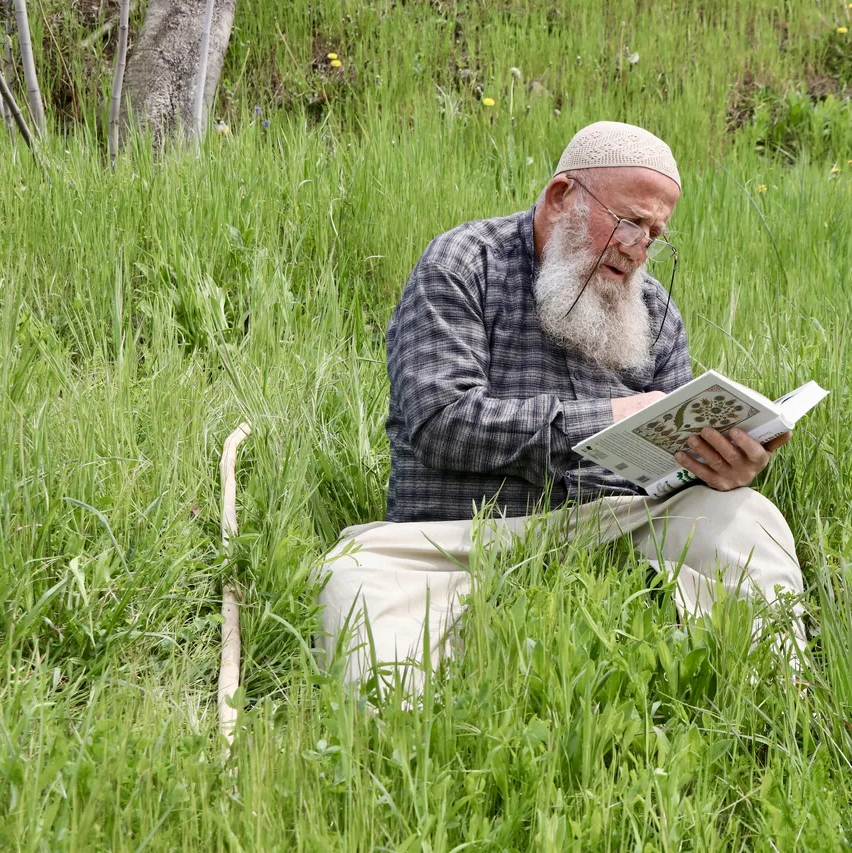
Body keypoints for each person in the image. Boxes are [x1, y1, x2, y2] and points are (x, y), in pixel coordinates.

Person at [316, 121, 804, 693]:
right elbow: (439, 421)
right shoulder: (463, 264)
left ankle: (775, 700)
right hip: (455, 540)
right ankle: (398, 723)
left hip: (609, 534)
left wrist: (718, 468)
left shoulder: (656, 312)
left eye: (654, 234)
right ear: (560, 197)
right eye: (628, 221)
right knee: (351, 580)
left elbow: (666, 477)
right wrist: (605, 420)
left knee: (746, 518)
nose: (638, 248)